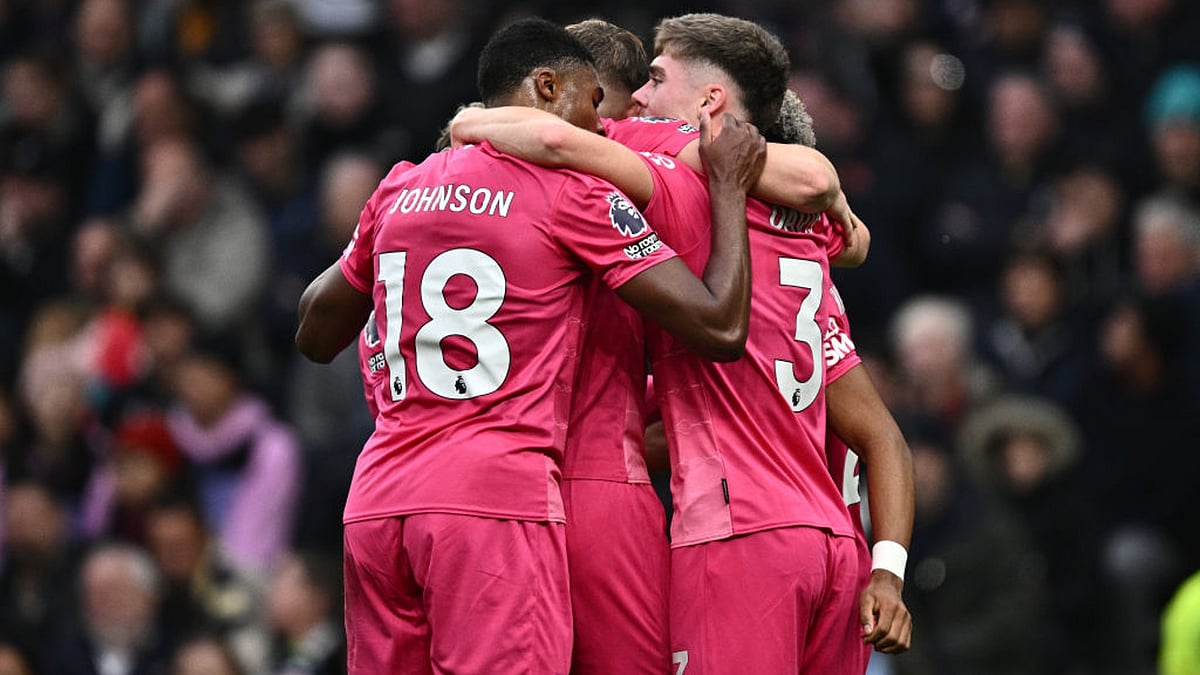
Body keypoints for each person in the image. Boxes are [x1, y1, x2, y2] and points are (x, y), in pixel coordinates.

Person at [295, 17, 767, 674]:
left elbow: (315, 332)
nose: (601, 127)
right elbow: (718, 327)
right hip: (494, 499)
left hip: (379, 501)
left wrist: (374, 243)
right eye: (591, 102)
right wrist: (727, 189)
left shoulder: (401, 185)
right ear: (547, 87)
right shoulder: (569, 189)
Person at [451, 15, 914, 671]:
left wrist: (466, 126)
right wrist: (888, 566)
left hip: (735, 533)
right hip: (832, 539)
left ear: (710, 103)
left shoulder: (672, 174)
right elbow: (841, 218)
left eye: (657, 79)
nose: (639, 96)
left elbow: (554, 137)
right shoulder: (805, 233)